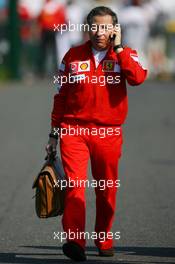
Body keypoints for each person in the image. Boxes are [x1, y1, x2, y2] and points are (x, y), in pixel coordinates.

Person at [46, 6, 147, 261]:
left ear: (115, 30)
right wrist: (53, 134)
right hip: (74, 130)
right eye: (95, 26)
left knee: (106, 190)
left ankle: (103, 236)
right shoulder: (72, 55)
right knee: (75, 187)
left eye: (106, 27)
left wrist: (121, 49)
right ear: (87, 28)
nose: (100, 32)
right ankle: (75, 242)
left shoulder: (124, 54)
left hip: (109, 133)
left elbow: (138, 78)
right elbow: (61, 97)